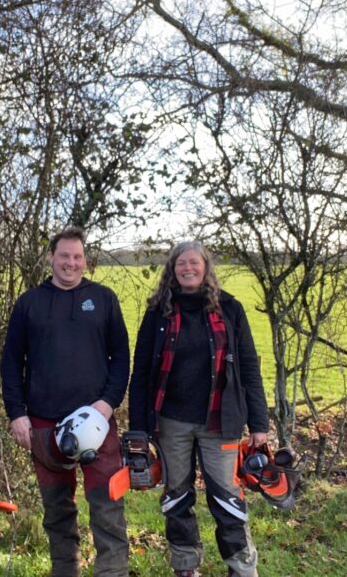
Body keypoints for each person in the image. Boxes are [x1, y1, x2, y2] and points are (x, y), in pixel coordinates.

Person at [129, 241, 270, 577]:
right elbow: (142, 372)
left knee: (226, 499)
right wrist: (137, 428)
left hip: (220, 421)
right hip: (171, 422)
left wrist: (259, 423)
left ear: (206, 267)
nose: (187, 268)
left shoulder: (230, 309)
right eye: (181, 263)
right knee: (177, 498)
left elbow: (249, 366)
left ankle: (241, 569)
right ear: (172, 269)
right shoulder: (157, 312)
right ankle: (186, 567)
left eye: (194, 262)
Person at [0, 227, 130, 577]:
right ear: (51, 258)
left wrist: (107, 404)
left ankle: (112, 571)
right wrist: (17, 414)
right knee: (57, 508)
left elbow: (121, 357)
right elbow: (11, 362)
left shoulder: (104, 299)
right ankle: (65, 570)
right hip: (44, 424)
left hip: (98, 420)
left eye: (77, 257)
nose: (71, 263)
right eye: (64, 256)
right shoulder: (29, 303)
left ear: (85, 259)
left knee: (107, 503)